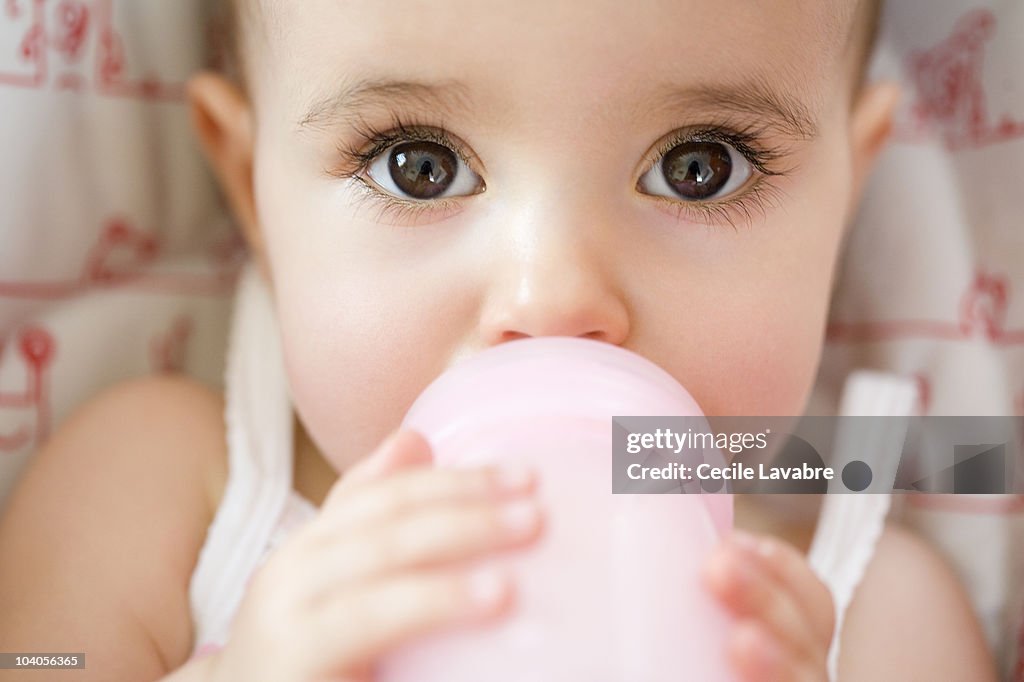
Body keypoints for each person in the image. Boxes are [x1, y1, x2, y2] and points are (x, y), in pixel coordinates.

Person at [0, 0, 998, 680]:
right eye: (418, 165)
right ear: (250, 187)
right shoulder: (169, 493)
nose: (555, 299)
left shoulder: (870, 614)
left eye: (700, 167)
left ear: (846, 193)